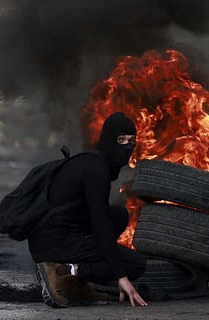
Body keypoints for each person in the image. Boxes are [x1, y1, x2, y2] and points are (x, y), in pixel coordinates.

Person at [28, 112, 148, 308]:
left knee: (119, 216)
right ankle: (65, 271)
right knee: (135, 264)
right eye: (121, 140)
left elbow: (102, 219)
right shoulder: (96, 169)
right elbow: (100, 224)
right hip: (53, 241)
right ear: (109, 140)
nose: (127, 146)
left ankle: (75, 283)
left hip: (53, 234)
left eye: (131, 140)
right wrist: (121, 276)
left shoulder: (92, 161)